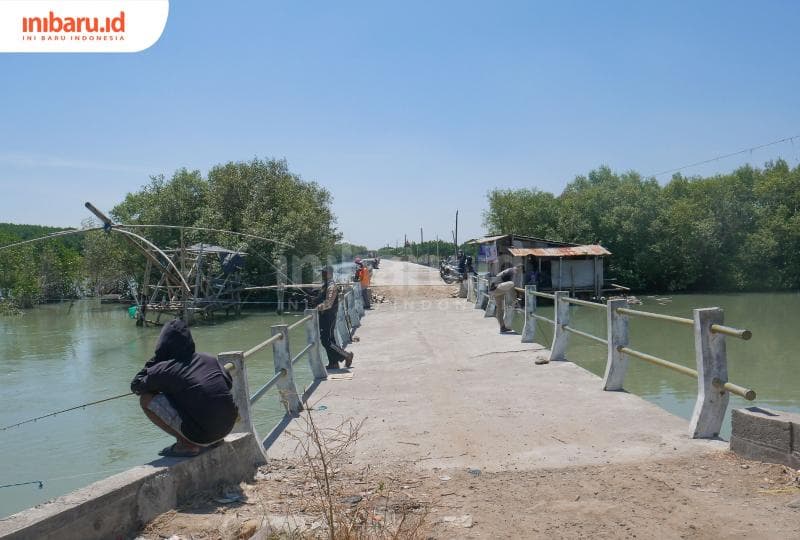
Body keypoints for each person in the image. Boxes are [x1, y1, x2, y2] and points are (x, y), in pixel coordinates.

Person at [130, 319, 238, 458]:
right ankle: (214, 439)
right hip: (228, 427)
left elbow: (136, 386)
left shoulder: (164, 369)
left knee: (145, 400)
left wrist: (157, 358)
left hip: (204, 435)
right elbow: (227, 383)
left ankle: (187, 444)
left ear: (163, 344)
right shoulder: (209, 359)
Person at [314, 265, 353, 369]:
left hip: (329, 316)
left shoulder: (331, 286)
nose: (322, 274)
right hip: (324, 316)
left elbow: (329, 303)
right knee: (328, 340)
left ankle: (346, 355)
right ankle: (333, 363)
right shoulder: (325, 285)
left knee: (327, 340)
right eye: (322, 272)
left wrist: (318, 307)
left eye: (324, 273)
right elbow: (322, 298)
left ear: (329, 274)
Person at [489, 264, 518, 333]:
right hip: (497, 288)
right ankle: (515, 301)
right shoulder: (512, 271)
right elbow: (512, 284)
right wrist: (515, 297)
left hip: (495, 291)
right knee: (512, 283)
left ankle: (502, 327)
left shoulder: (507, 271)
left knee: (500, 309)